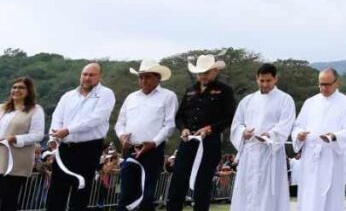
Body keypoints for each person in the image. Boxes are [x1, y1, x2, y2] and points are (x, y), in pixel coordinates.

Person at [166, 54, 237, 211]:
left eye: (206, 72)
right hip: (187, 142)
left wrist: (210, 128)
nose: (202, 76)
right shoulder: (190, 90)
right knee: (178, 183)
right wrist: (183, 128)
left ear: (214, 71)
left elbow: (229, 117)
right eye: (199, 73)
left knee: (202, 186)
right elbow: (179, 116)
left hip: (209, 144)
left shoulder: (224, 91)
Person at [45, 62, 116, 211]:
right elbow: (57, 117)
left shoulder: (106, 94)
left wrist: (69, 130)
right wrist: (53, 138)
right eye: (84, 74)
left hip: (88, 149)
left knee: (81, 190)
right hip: (64, 148)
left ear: (99, 76)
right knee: (56, 190)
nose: (87, 77)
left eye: (91, 75)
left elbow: (97, 119)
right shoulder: (68, 96)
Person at [229, 63, 296, 211]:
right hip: (249, 154)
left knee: (269, 193)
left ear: (275, 79)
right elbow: (237, 123)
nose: (265, 84)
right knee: (247, 191)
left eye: (268, 81)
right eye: (262, 80)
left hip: (270, 153)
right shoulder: (247, 100)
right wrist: (242, 132)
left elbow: (286, 124)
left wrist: (270, 134)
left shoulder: (285, 100)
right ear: (257, 79)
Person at [114, 60, 177, 211]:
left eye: (147, 77)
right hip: (130, 149)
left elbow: (169, 125)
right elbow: (120, 123)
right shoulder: (131, 97)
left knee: (147, 195)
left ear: (158, 78)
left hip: (152, 151)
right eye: (141, 77)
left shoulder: (168, 96)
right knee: (125, 193)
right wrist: (122, 136)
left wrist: (154, 142)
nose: (143, 80)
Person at [292, 68, 346, 211]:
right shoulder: (310, 102)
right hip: (311, 157)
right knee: (310, 194)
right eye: (321, 84)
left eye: (327, 84)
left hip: (331, 155)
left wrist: (334, 136)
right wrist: (299, 135)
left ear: (337, 83)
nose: (324, 88)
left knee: (331, 196)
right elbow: (297, 125)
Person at [0, 77, 45, 211]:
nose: (16, 90)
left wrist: (15, 139)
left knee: (9, 198)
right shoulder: (2, 108)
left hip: (16, 162)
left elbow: (38, 135)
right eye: (14, 87)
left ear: (29, 91)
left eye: (21, 87)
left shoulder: (35, 110)